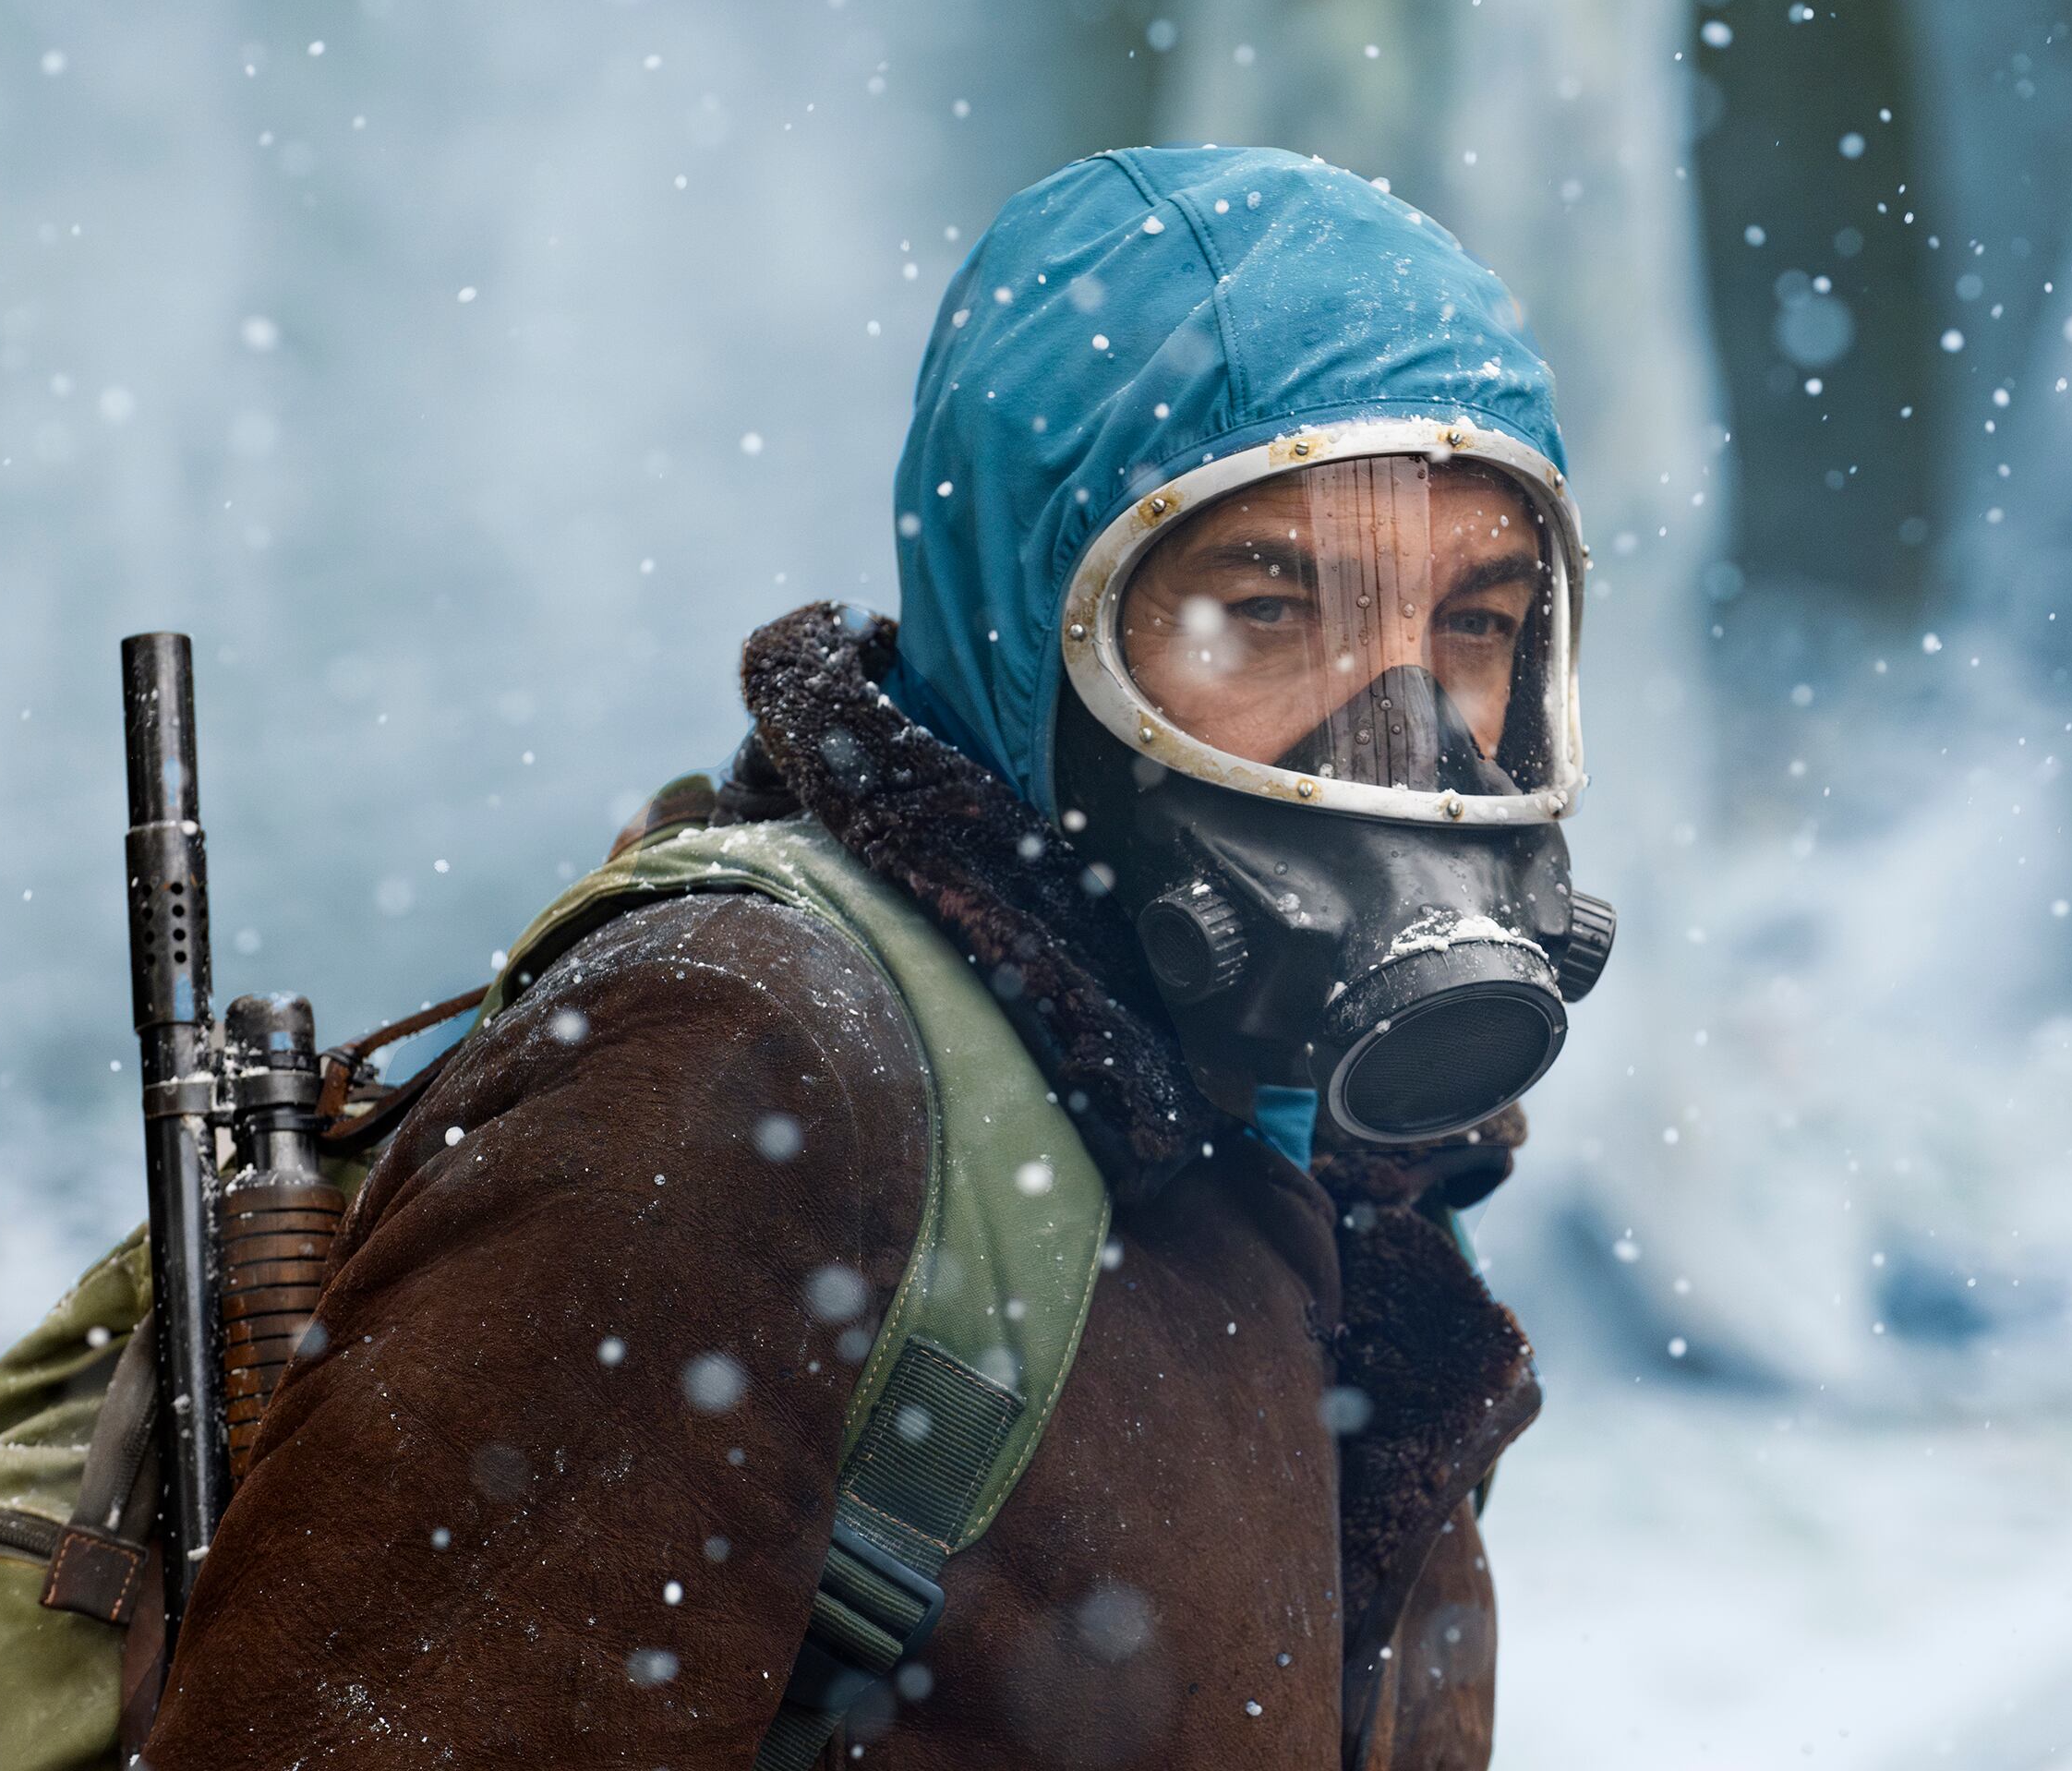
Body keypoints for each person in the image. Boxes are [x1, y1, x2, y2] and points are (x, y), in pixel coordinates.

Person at [144, 146, 1610, 1770]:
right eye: (1269, 611)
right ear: (1035, 624)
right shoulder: (741, 1073)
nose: (1404, 735)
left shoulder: (1333, 1160)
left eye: (1473, 624)